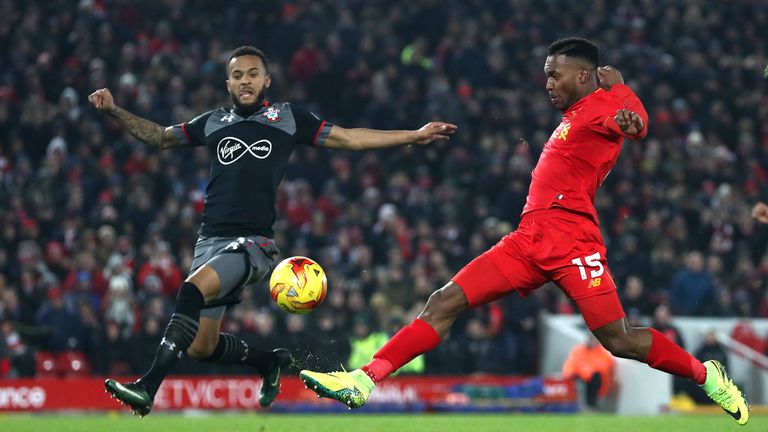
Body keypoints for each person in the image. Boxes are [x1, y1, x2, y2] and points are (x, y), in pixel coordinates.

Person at [299, 37, 749, 425]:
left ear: (584, 75)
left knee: (620, 340)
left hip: (574, 242)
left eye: (556, 75)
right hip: (528, 238)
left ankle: (707, 376)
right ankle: (364, 379)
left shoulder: (597, 110)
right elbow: (621, 102)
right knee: (444, 301)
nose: (549, 84)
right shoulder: (588, 105)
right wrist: (620, 85)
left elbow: (631, 121)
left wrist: (630, 114)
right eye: (547, 76)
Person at [89, 46, 456, 417]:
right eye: (237, 75)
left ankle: (147, 387)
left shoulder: (287, 117)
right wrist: (115, 110)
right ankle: (269, 362)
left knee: (192, 290)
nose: (244, 81)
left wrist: (413, 135)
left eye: (252, 74)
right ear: (227, 83)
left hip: (253, 244)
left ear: (267, 80)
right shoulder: (213, 122)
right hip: (210, 242)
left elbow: (349, 138)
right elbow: (160, 137)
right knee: (202, 347)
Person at [562, 334, 614, 409]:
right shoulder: (578, 349)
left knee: (595, 377)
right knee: (571, 377)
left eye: (593, 340)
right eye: (590, 339)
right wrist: (583, 371)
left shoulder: (604, 354)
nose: (591, 342)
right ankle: (567, 401)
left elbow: (602, 368)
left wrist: (586, 371)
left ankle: (590, 405)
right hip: (580, 375)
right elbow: (572, 364)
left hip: (593, 380)